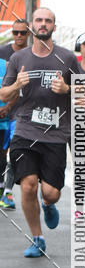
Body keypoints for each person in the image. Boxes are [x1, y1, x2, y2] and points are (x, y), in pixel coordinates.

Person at [0, 7, 79, 257]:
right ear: (32, 26)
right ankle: (37, 238)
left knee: (51, 192)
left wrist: (67, 89)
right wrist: (16, 85)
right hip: (25, 129)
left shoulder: (67, 58)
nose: (43, 24)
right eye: (39, 20)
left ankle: (48, 204)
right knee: (28, 185)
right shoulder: (18, 59)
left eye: (48, 21)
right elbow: (3, 94)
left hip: (56, 134)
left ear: (54, 27)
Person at [0, 18, 29, 209]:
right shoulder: (2, 52)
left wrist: (9, 106)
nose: (19, 36)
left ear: (29, 34)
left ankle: (8, 193)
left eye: (23, 33)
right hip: (3, 112)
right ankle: (3, 188)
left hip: (22, 112)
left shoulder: (34, 54)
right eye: (15, 32)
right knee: (3, 153)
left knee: (16, 152)